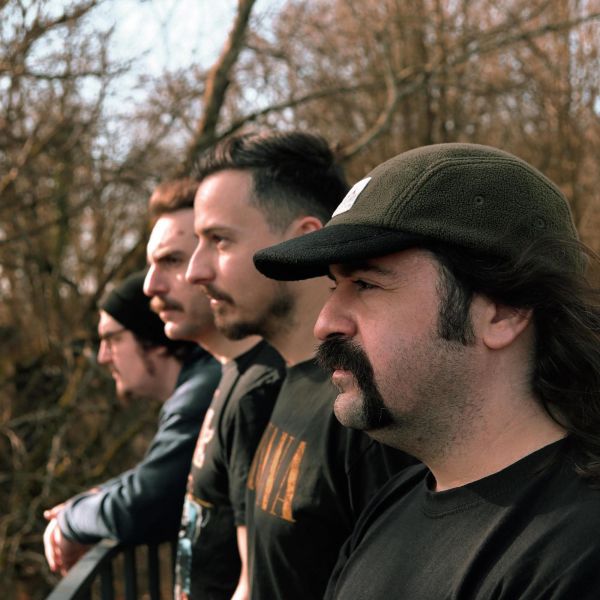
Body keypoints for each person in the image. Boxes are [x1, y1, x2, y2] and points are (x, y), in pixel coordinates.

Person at [253, 142, 600, 598]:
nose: (325, 323)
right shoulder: (392, 505)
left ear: (504, 311)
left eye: (366, 284)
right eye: (335, 287)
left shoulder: (578, 551)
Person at [187, 131, 415, 600]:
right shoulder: (280, 384)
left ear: (304, 238)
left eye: (219, 241)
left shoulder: (366, 409)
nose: (195, 271)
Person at [144, 178, 286, 600]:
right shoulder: (229, 376)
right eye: (152, 264)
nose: (151, 285)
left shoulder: (262, 390)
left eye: (171, 260)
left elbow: (255, 580)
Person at [43, 270, 221, 575]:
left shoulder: (200, 395)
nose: (103, 357)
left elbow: (142, 503)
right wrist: (87, 501)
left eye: (112, 339)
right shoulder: (200, 384)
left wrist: (70, 519)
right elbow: (151, 476)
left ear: (153, 338)